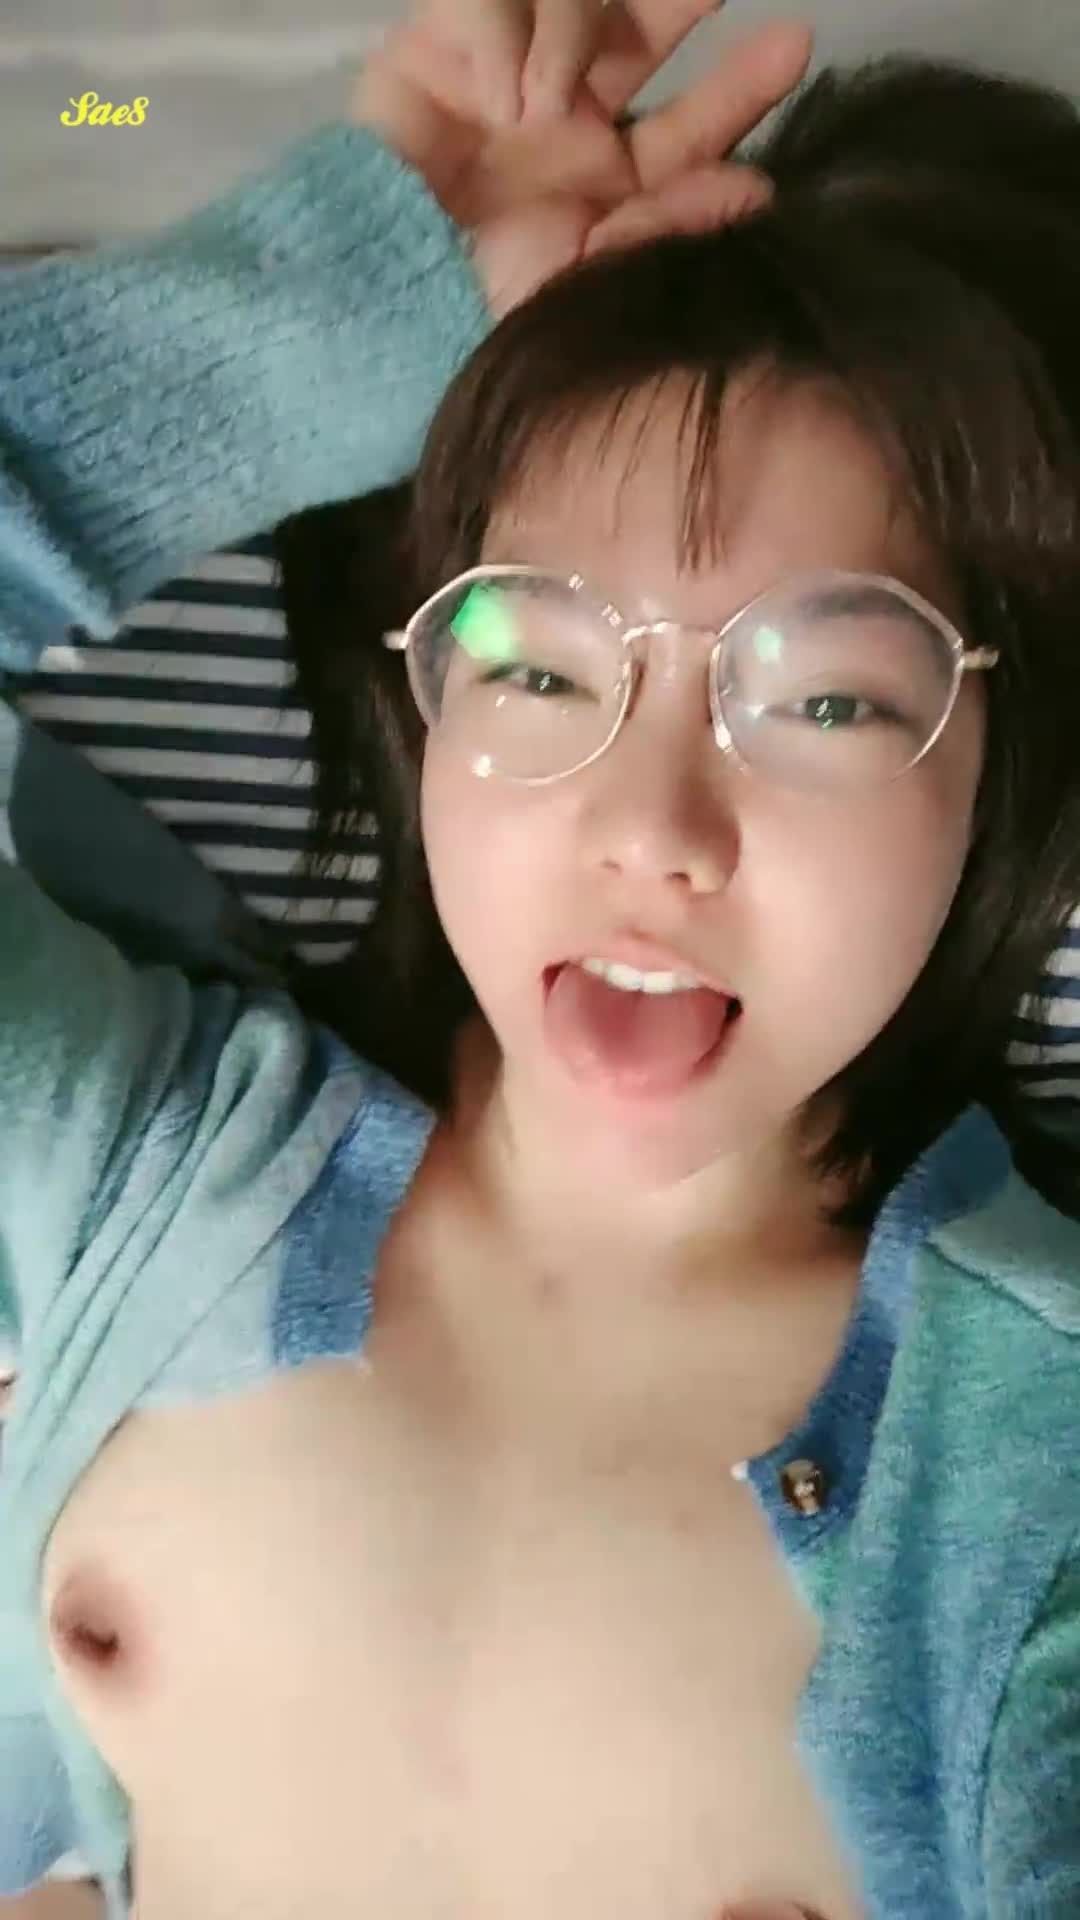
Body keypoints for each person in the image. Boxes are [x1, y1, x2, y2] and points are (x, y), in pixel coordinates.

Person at [2, 7, 1080, 1920]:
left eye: (827, 695)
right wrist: (301, 315)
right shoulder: (127, 1186)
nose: (650, 826)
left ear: (1004, 771)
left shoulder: (1033, 1497)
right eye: (536, 661)